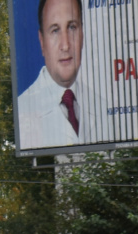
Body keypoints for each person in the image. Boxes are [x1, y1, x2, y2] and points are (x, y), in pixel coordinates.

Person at [17, 0, 85, 150]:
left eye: (72, 27)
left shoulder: (104, 106)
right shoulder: (22, 112)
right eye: (55, 30)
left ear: (82, 34)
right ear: (42, 42)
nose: (65, 45)